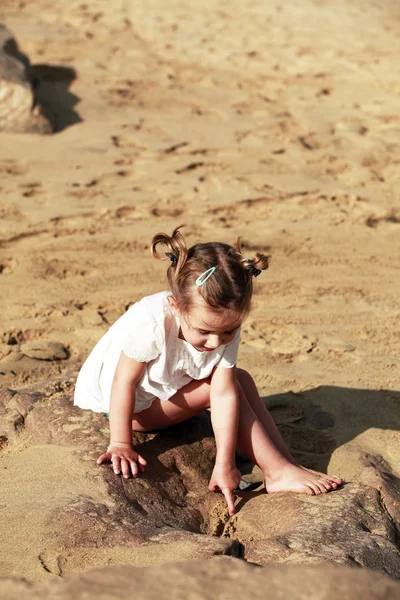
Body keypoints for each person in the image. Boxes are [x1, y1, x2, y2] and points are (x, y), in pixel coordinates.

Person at [74, 226, 342, 515]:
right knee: (214, 390)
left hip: (165, 392)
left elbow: (226, 390)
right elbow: (123, 382)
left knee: (241, 379)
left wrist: (225, 462)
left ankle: (282, 463)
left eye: (229, 330)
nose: (216, 342)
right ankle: (277, 472)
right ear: (176, 307)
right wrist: (121, 443)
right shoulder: (151, 321)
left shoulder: (222, 324)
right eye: (204, 331)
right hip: (129, 409)